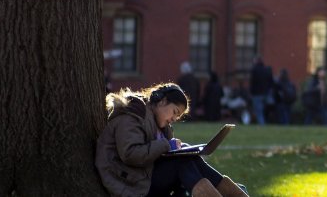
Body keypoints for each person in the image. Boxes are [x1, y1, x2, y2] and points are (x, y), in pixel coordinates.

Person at [95, 82, 248, 197]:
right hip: (130, 183)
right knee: (182, 162)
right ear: (162, 101)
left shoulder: (158, 123)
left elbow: (161, 152)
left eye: (178, 116)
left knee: (190, 159)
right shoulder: (132, 116)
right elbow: (130, 154)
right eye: (174, 112)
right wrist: (166, 145)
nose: (174, 119)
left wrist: (181, 149)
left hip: (144, 177)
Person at [249, 56, 274, 126]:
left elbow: (252, 83)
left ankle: (262, 124)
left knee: (258, 111)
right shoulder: (266, 70)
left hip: (257, 94)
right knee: (264, 110)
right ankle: (264, 122)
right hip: (266, 93)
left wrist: (251, 92)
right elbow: (271, 82)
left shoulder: (254, 70)